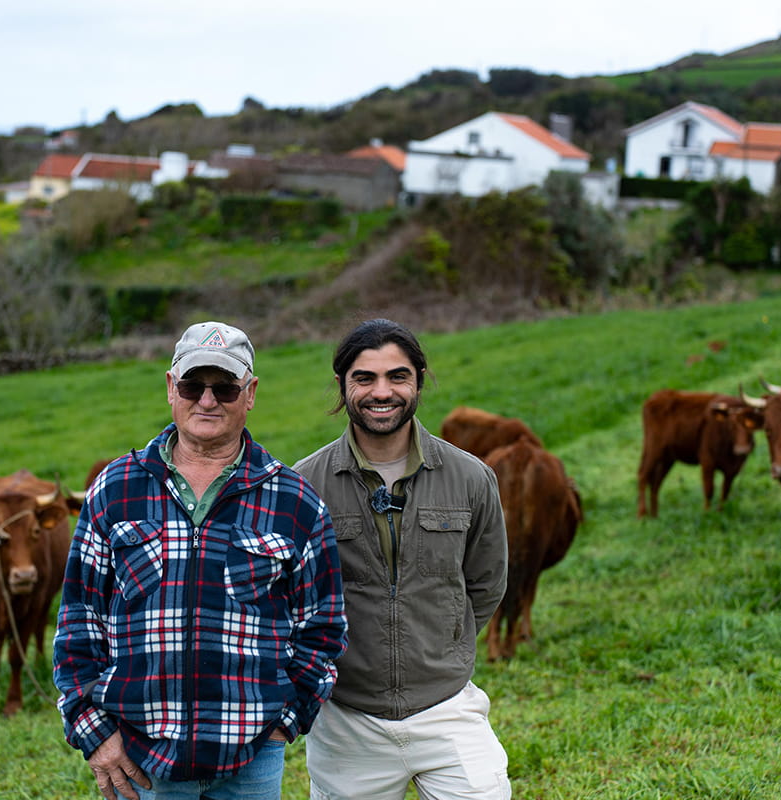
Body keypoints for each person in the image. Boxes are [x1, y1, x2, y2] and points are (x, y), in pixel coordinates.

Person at [53, 320, 347, 800]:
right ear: (171, 387)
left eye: (225, 388)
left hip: (252, 760)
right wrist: (94, 734)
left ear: (249, 394)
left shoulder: (294, 501)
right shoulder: (115, 489)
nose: (207, 400)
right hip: (139, 759)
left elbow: (324, 627)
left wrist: (286, 720)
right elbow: (79, 622)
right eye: (193, 384)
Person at [293, 318, 511, 800]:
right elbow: (291, 601)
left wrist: (444, 644)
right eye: (364, 378)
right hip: (348, 717)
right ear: (342, 385)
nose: (381, 391)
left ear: (419, 379)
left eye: (397, 376)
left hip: (447, 705)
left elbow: (486, 581)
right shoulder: (303, 486)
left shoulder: (471, 477)